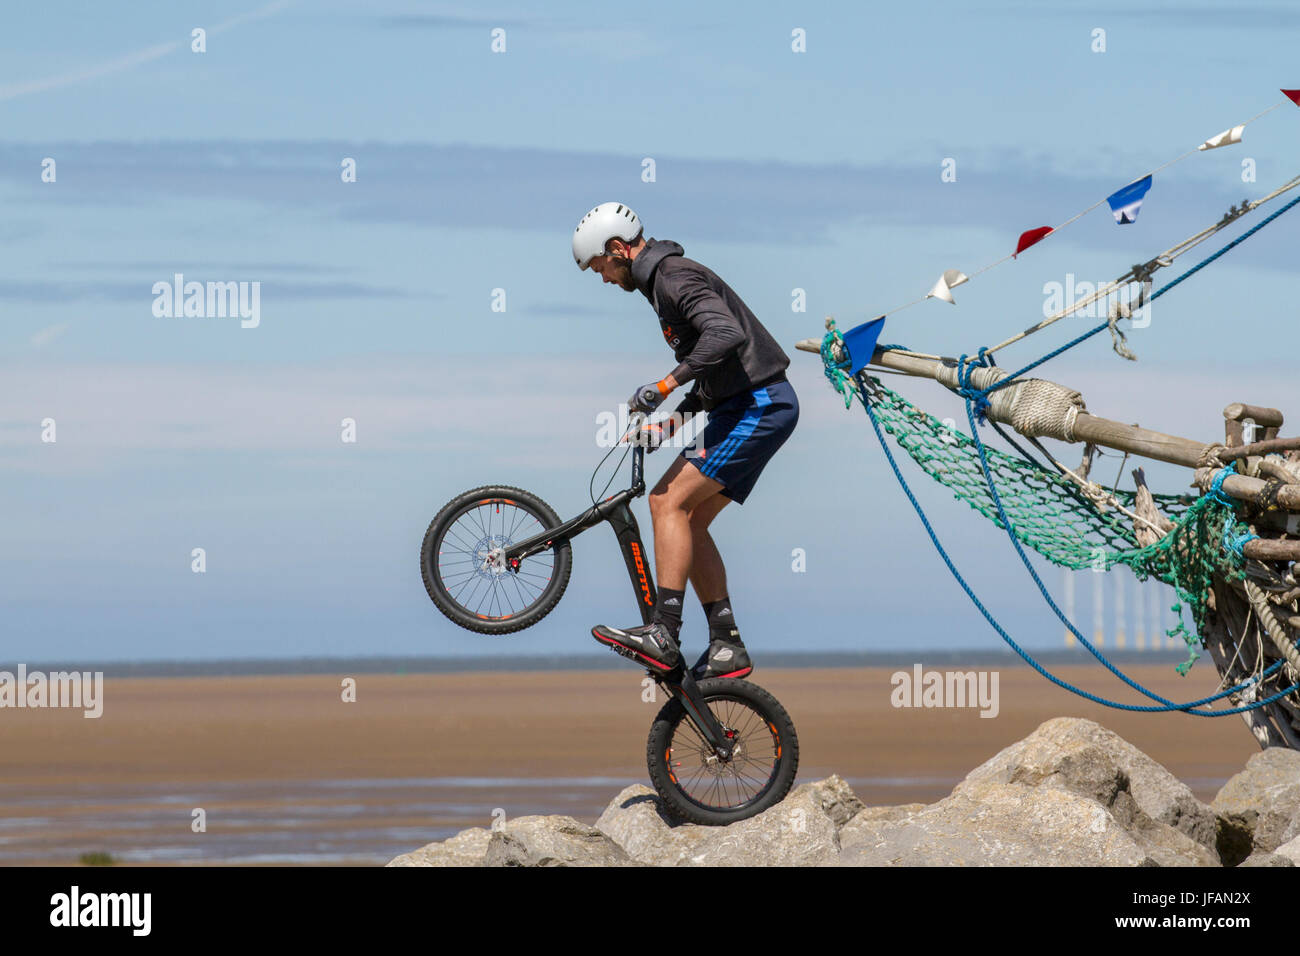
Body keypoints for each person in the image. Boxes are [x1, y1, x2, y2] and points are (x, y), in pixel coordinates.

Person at [571, 202, 799, 680]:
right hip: (742, 405)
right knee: (688, 521)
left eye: (601, 268)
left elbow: (725, 335)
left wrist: (664, 385)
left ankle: (664, 632)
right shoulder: (661, 283)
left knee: (664, 501)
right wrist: (670, 424)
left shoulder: (673, 277)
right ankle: (725, 643)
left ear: (617, 250)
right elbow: (714, 372)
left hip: (760, 406)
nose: (605, 279)